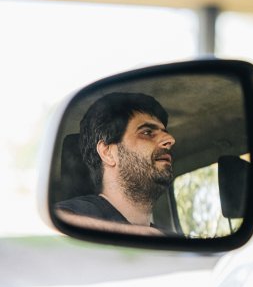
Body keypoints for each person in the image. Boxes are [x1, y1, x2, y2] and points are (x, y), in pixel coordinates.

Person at [55, 92, 176, 235]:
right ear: (107, 152)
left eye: (165, 132)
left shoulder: (166, 237)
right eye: (147, 132)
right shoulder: (75, 213)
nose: (170, 139)